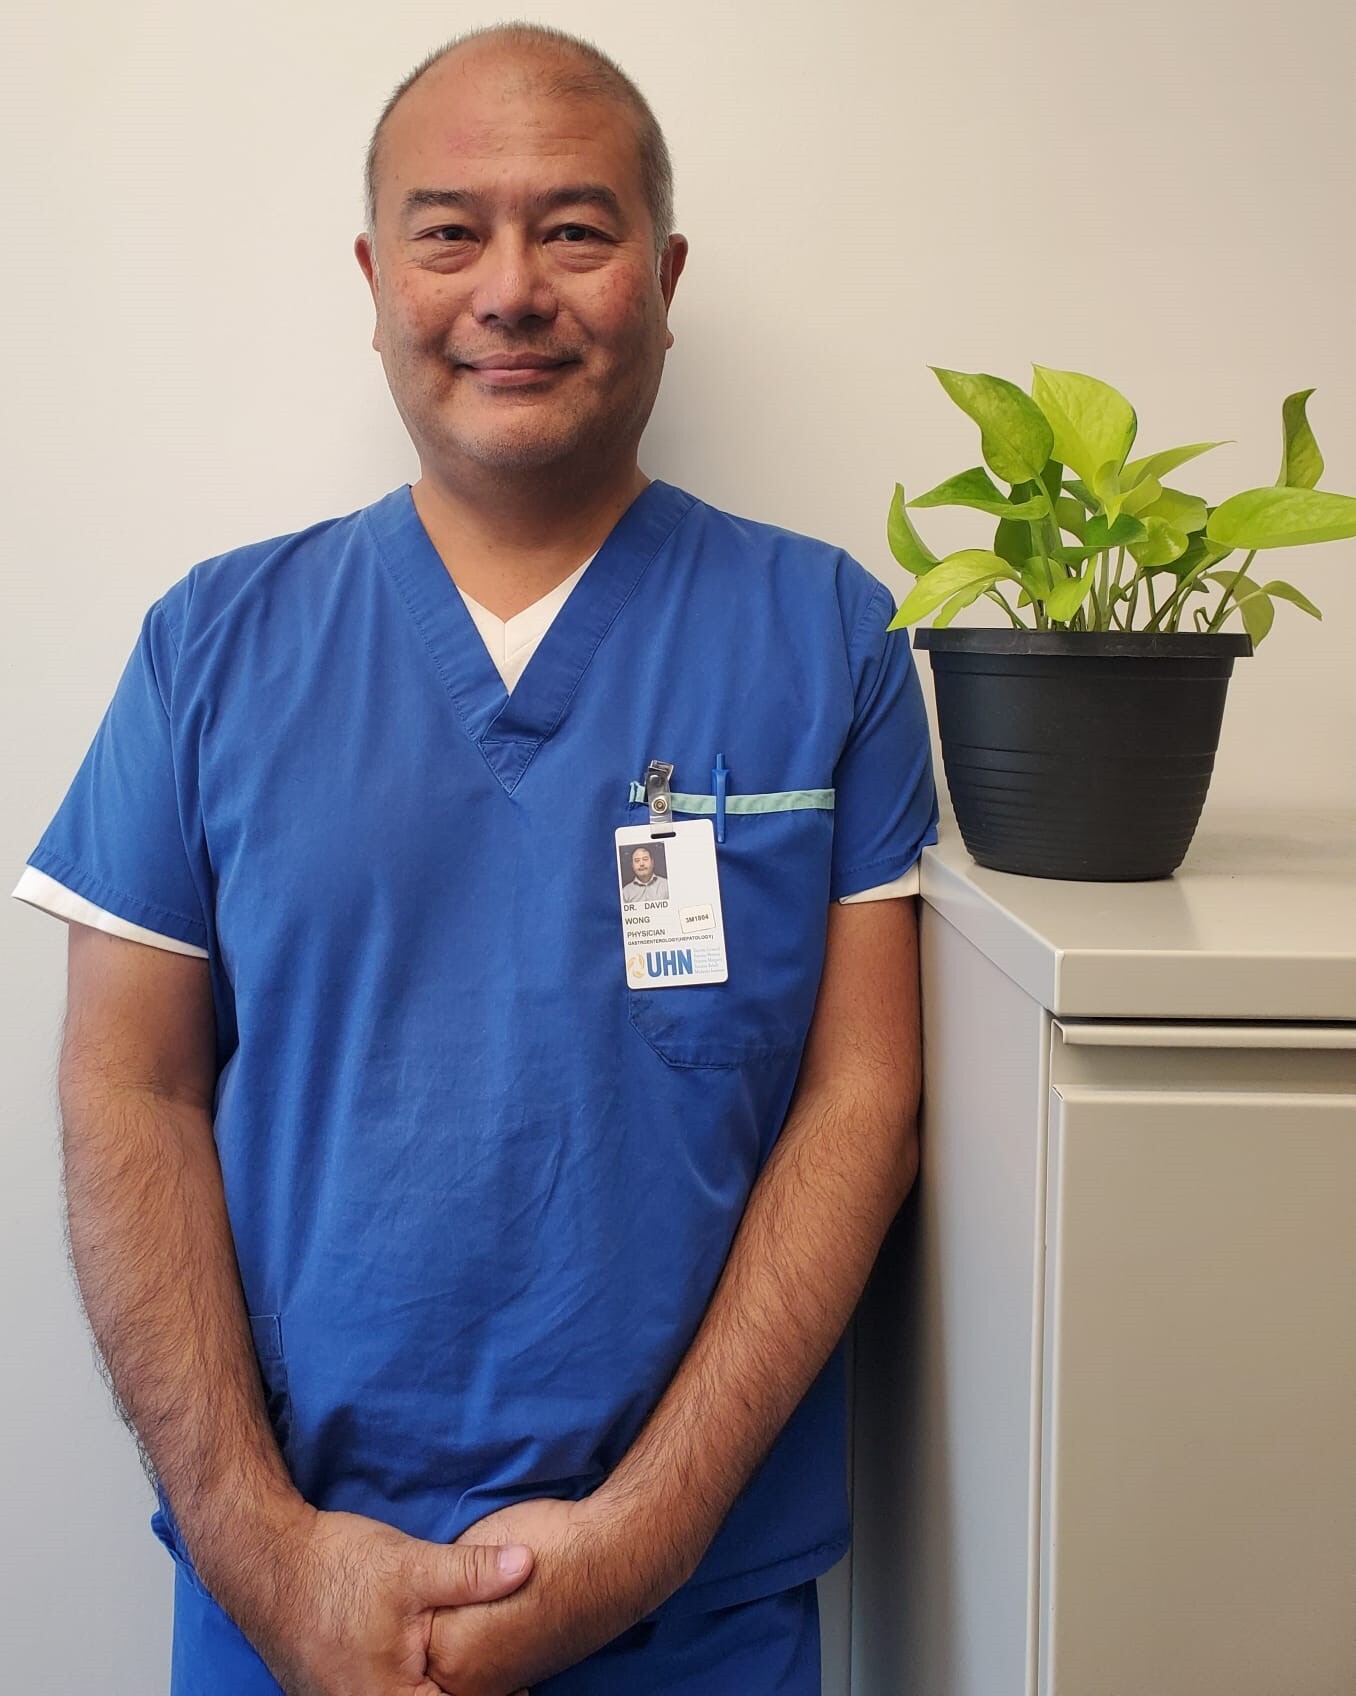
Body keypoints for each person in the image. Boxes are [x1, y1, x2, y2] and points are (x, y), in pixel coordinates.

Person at [14, 22, 937, 1696]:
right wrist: (261, 1551)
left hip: (695, 1611)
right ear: (377, 276)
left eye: (574, 231)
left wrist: (645, 1537)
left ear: (662, 274)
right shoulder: (210, 648)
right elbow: (125, 1096)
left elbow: (860, 1102)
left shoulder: (829, 641)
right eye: (451, 232)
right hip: (289, 1606)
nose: (512, 287)